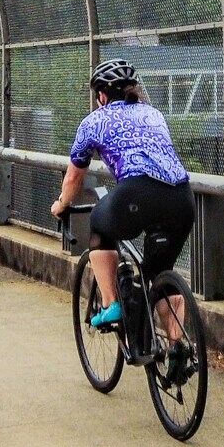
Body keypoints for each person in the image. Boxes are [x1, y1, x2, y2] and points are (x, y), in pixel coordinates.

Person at [49, 59, 193, 346]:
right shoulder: (153, 114)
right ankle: (179, 348)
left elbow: (75, 176)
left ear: (102, 95)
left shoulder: (94, 121)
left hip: (137, 194)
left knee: (99, 224)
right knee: (161, 274)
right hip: (181, 197)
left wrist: (62, 204)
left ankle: (111, 303)